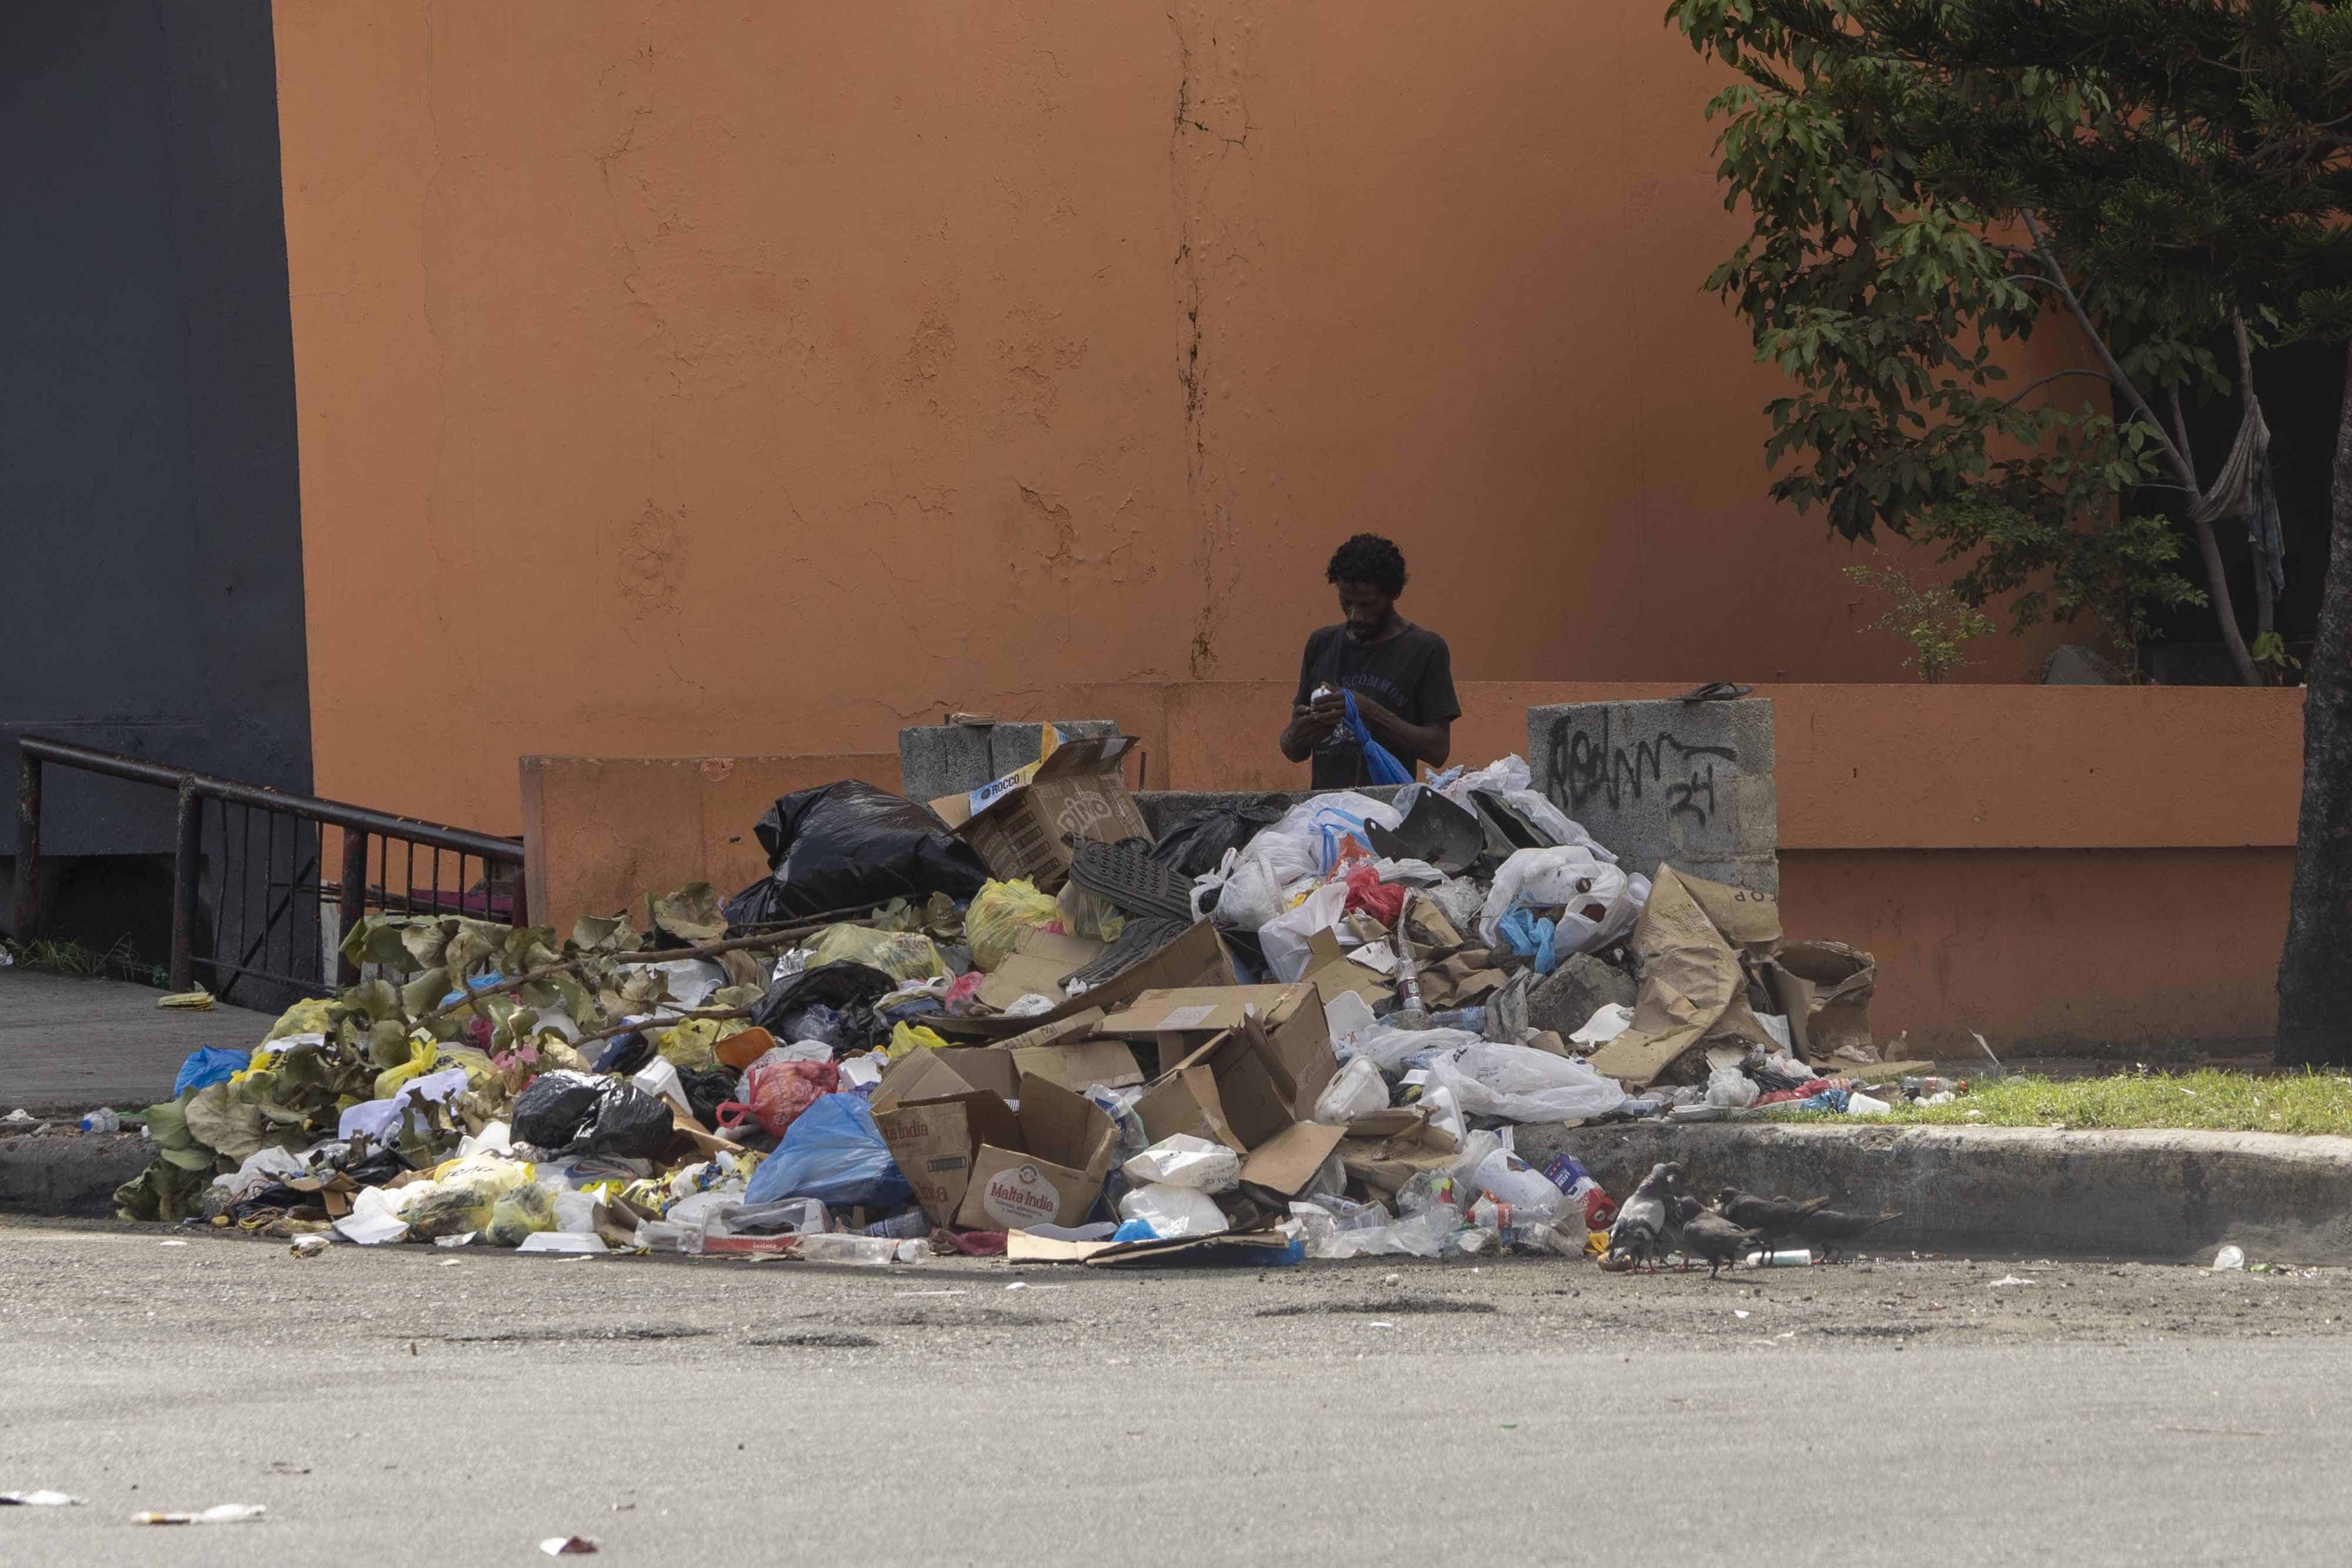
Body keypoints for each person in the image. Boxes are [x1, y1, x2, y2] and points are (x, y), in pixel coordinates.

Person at [1280, 533, 1459, 788]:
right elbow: (1293, 751)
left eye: (1367, 605)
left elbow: (1438, 750)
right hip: (1328, 811)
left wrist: (1367, 710)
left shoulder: (1425, 649)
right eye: (1346, 602)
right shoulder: (1321, 643)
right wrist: (1302, 731)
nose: (1356, 616)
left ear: (1394, 593)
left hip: (1387, 814)